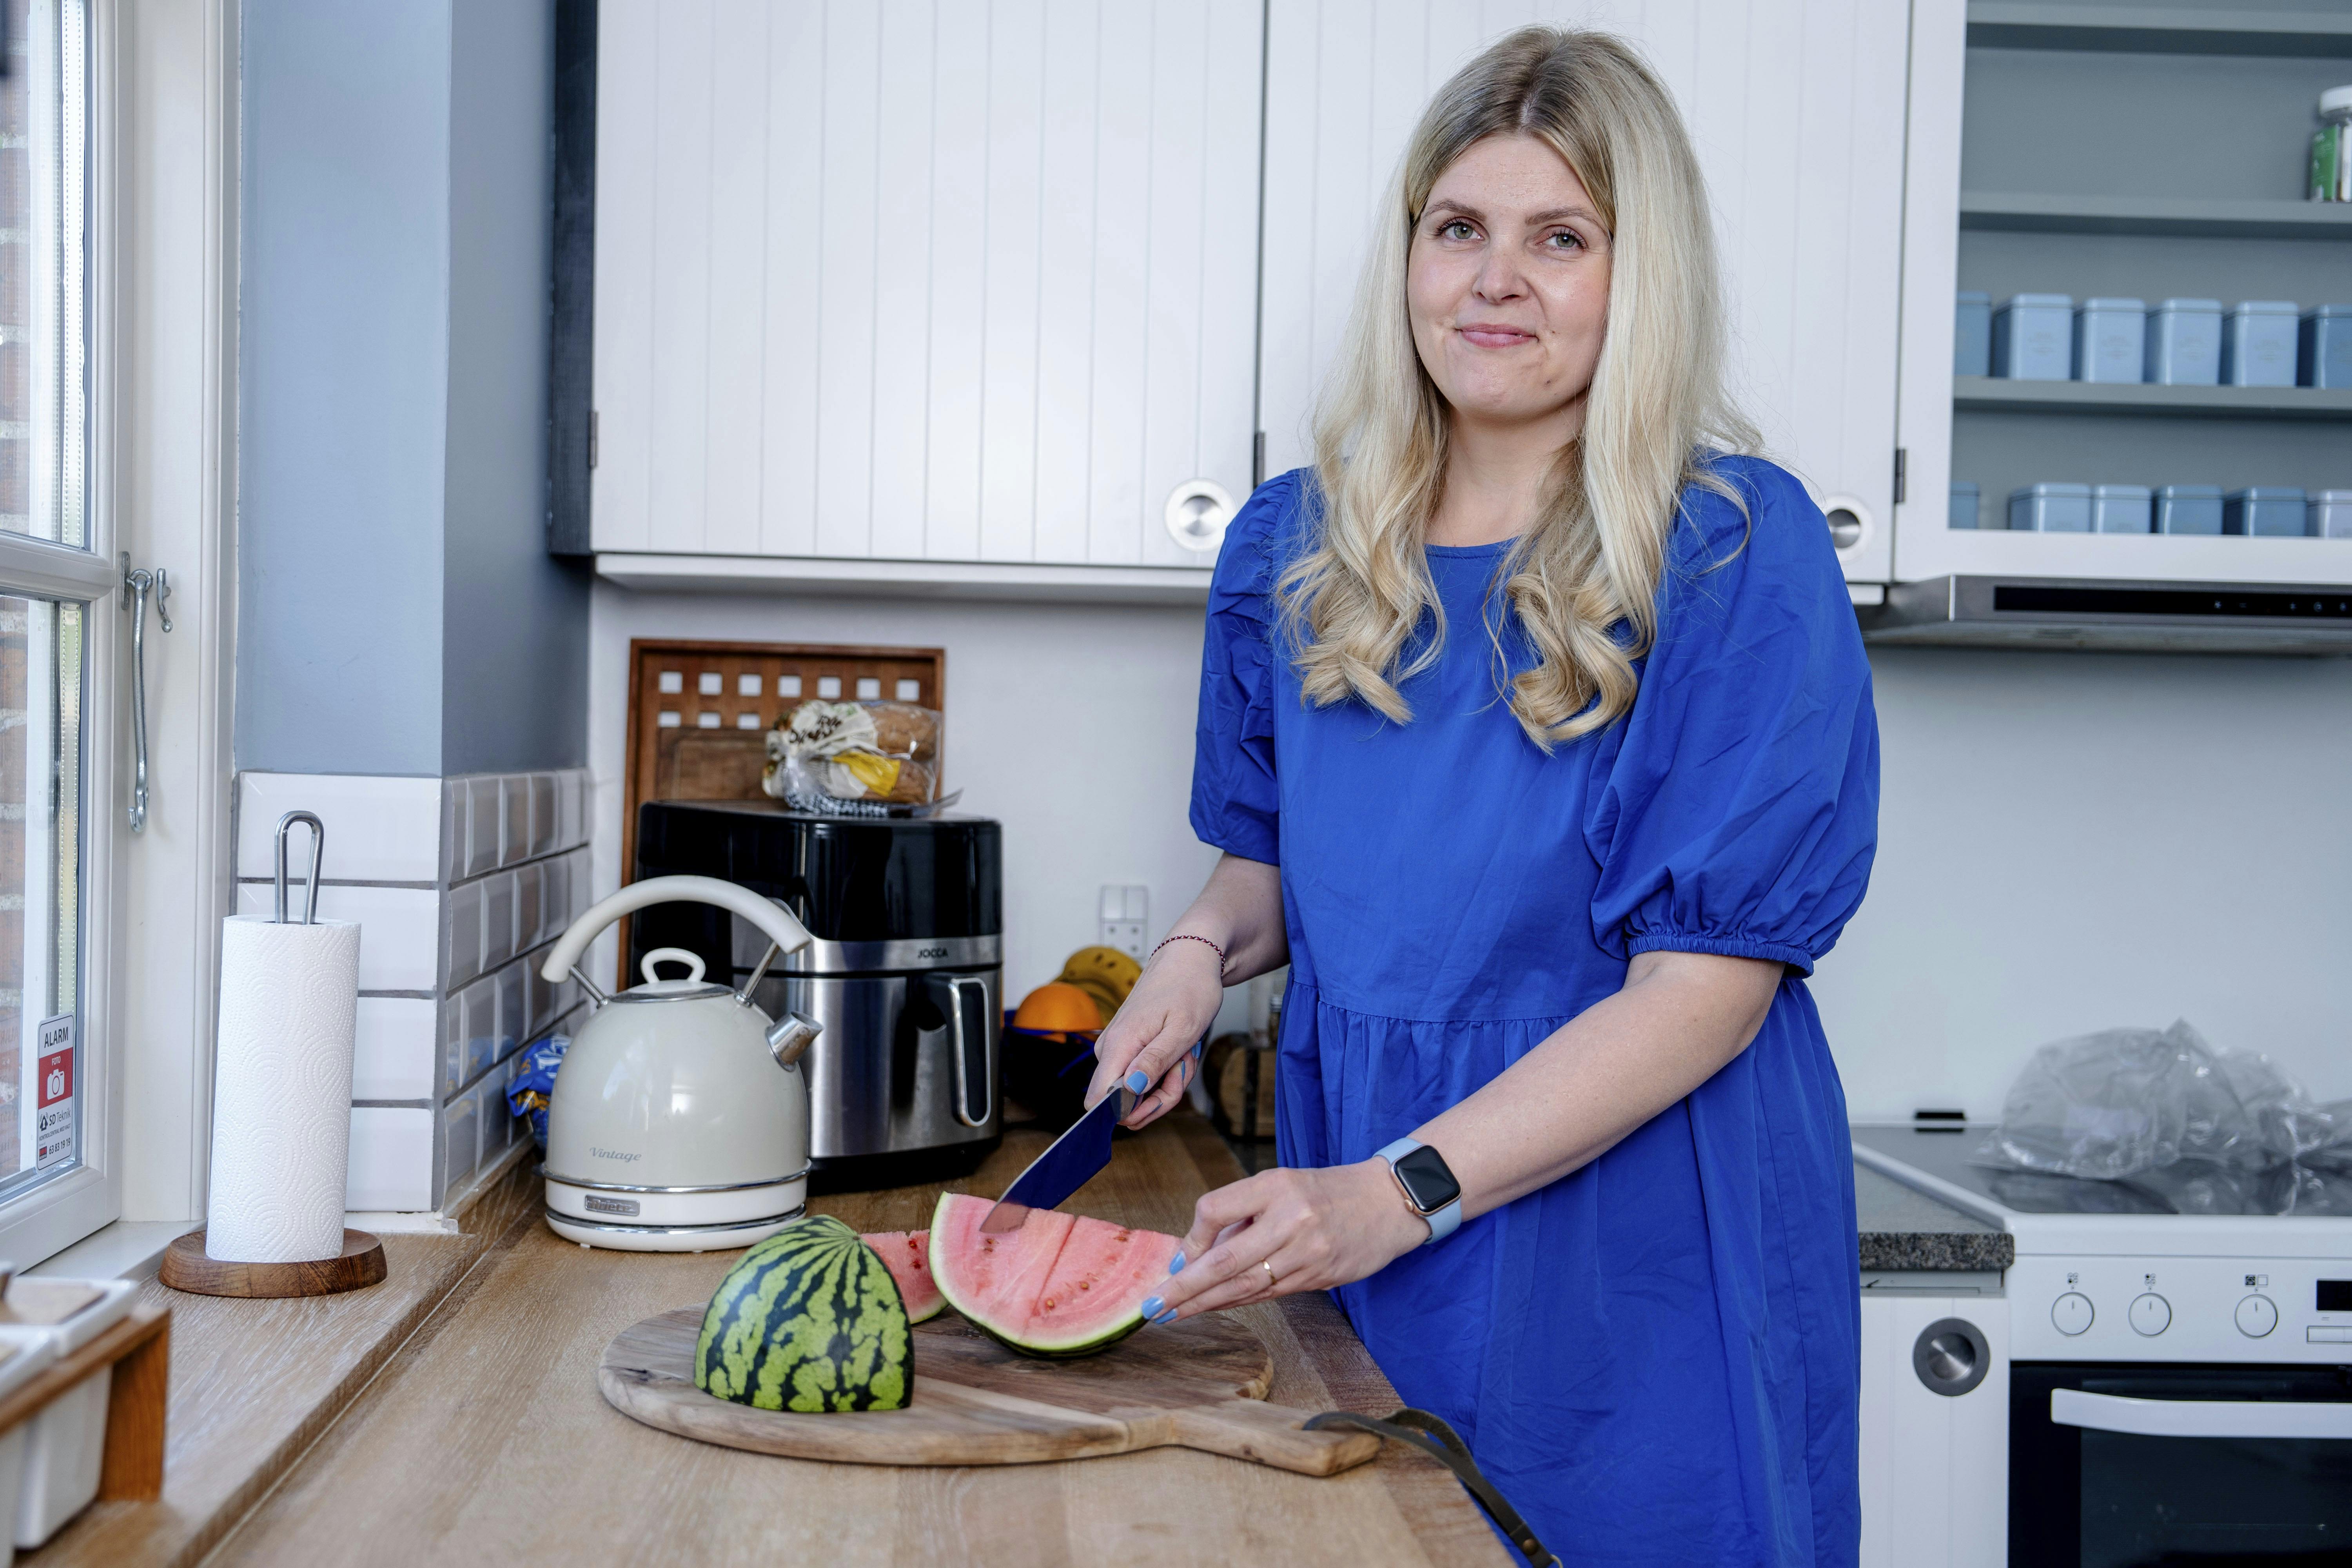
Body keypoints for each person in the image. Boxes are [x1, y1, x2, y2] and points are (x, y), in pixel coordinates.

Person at [1085, 25, 1879, 1566]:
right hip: (1361, 1213)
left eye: (1559, 238)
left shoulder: (1734, 554)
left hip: (1641, 1242)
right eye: (1460, 229)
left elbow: (1706, 992)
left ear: (1638, 276)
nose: (1494, 280)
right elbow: (1266, 860)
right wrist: (1190, 958)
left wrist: (1402, 1192)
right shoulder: (1291, 548)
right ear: (1411, 260)